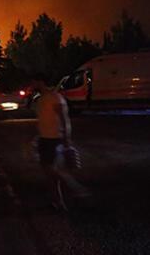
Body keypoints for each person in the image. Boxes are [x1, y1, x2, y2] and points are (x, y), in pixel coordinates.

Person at [31, 73, 89, 211]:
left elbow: (64, 119)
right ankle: (58, 202)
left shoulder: (54, 97)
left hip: (53, 139)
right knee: (49, 173)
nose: (31, 85)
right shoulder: (42, 98)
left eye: (33, 82)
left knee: (50, 170)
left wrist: (67, 139)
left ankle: (74, 187)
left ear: (40, 82)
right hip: (45, 138)